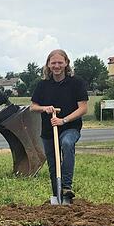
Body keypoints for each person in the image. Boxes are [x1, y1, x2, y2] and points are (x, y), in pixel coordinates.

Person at [30, 49, 88, 201]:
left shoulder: (76, 83)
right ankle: (58, 197)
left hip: (70, 127)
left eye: (60, 62)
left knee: (67, 143)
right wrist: (45, 108)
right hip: (49, 131)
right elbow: (33, 107)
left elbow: (83, 108)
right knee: (53, 164)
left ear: (66, 63)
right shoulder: (43, 85)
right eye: (53, 63)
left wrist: (64, 120)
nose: (56, 66)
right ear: (48, 65)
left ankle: (67, 186)